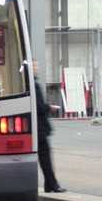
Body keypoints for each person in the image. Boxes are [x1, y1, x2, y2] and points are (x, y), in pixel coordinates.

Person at [33, 60, 65, 193]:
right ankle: (52, 184)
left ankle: (50, 184)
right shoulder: (33, 85)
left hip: (38, 128)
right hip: (38, 128)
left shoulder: (33, 84)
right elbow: (37, 106)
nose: (37, 68)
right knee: (45, 157)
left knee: (44, 157)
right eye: (34, 66)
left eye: (37, 65)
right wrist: (50, 108)